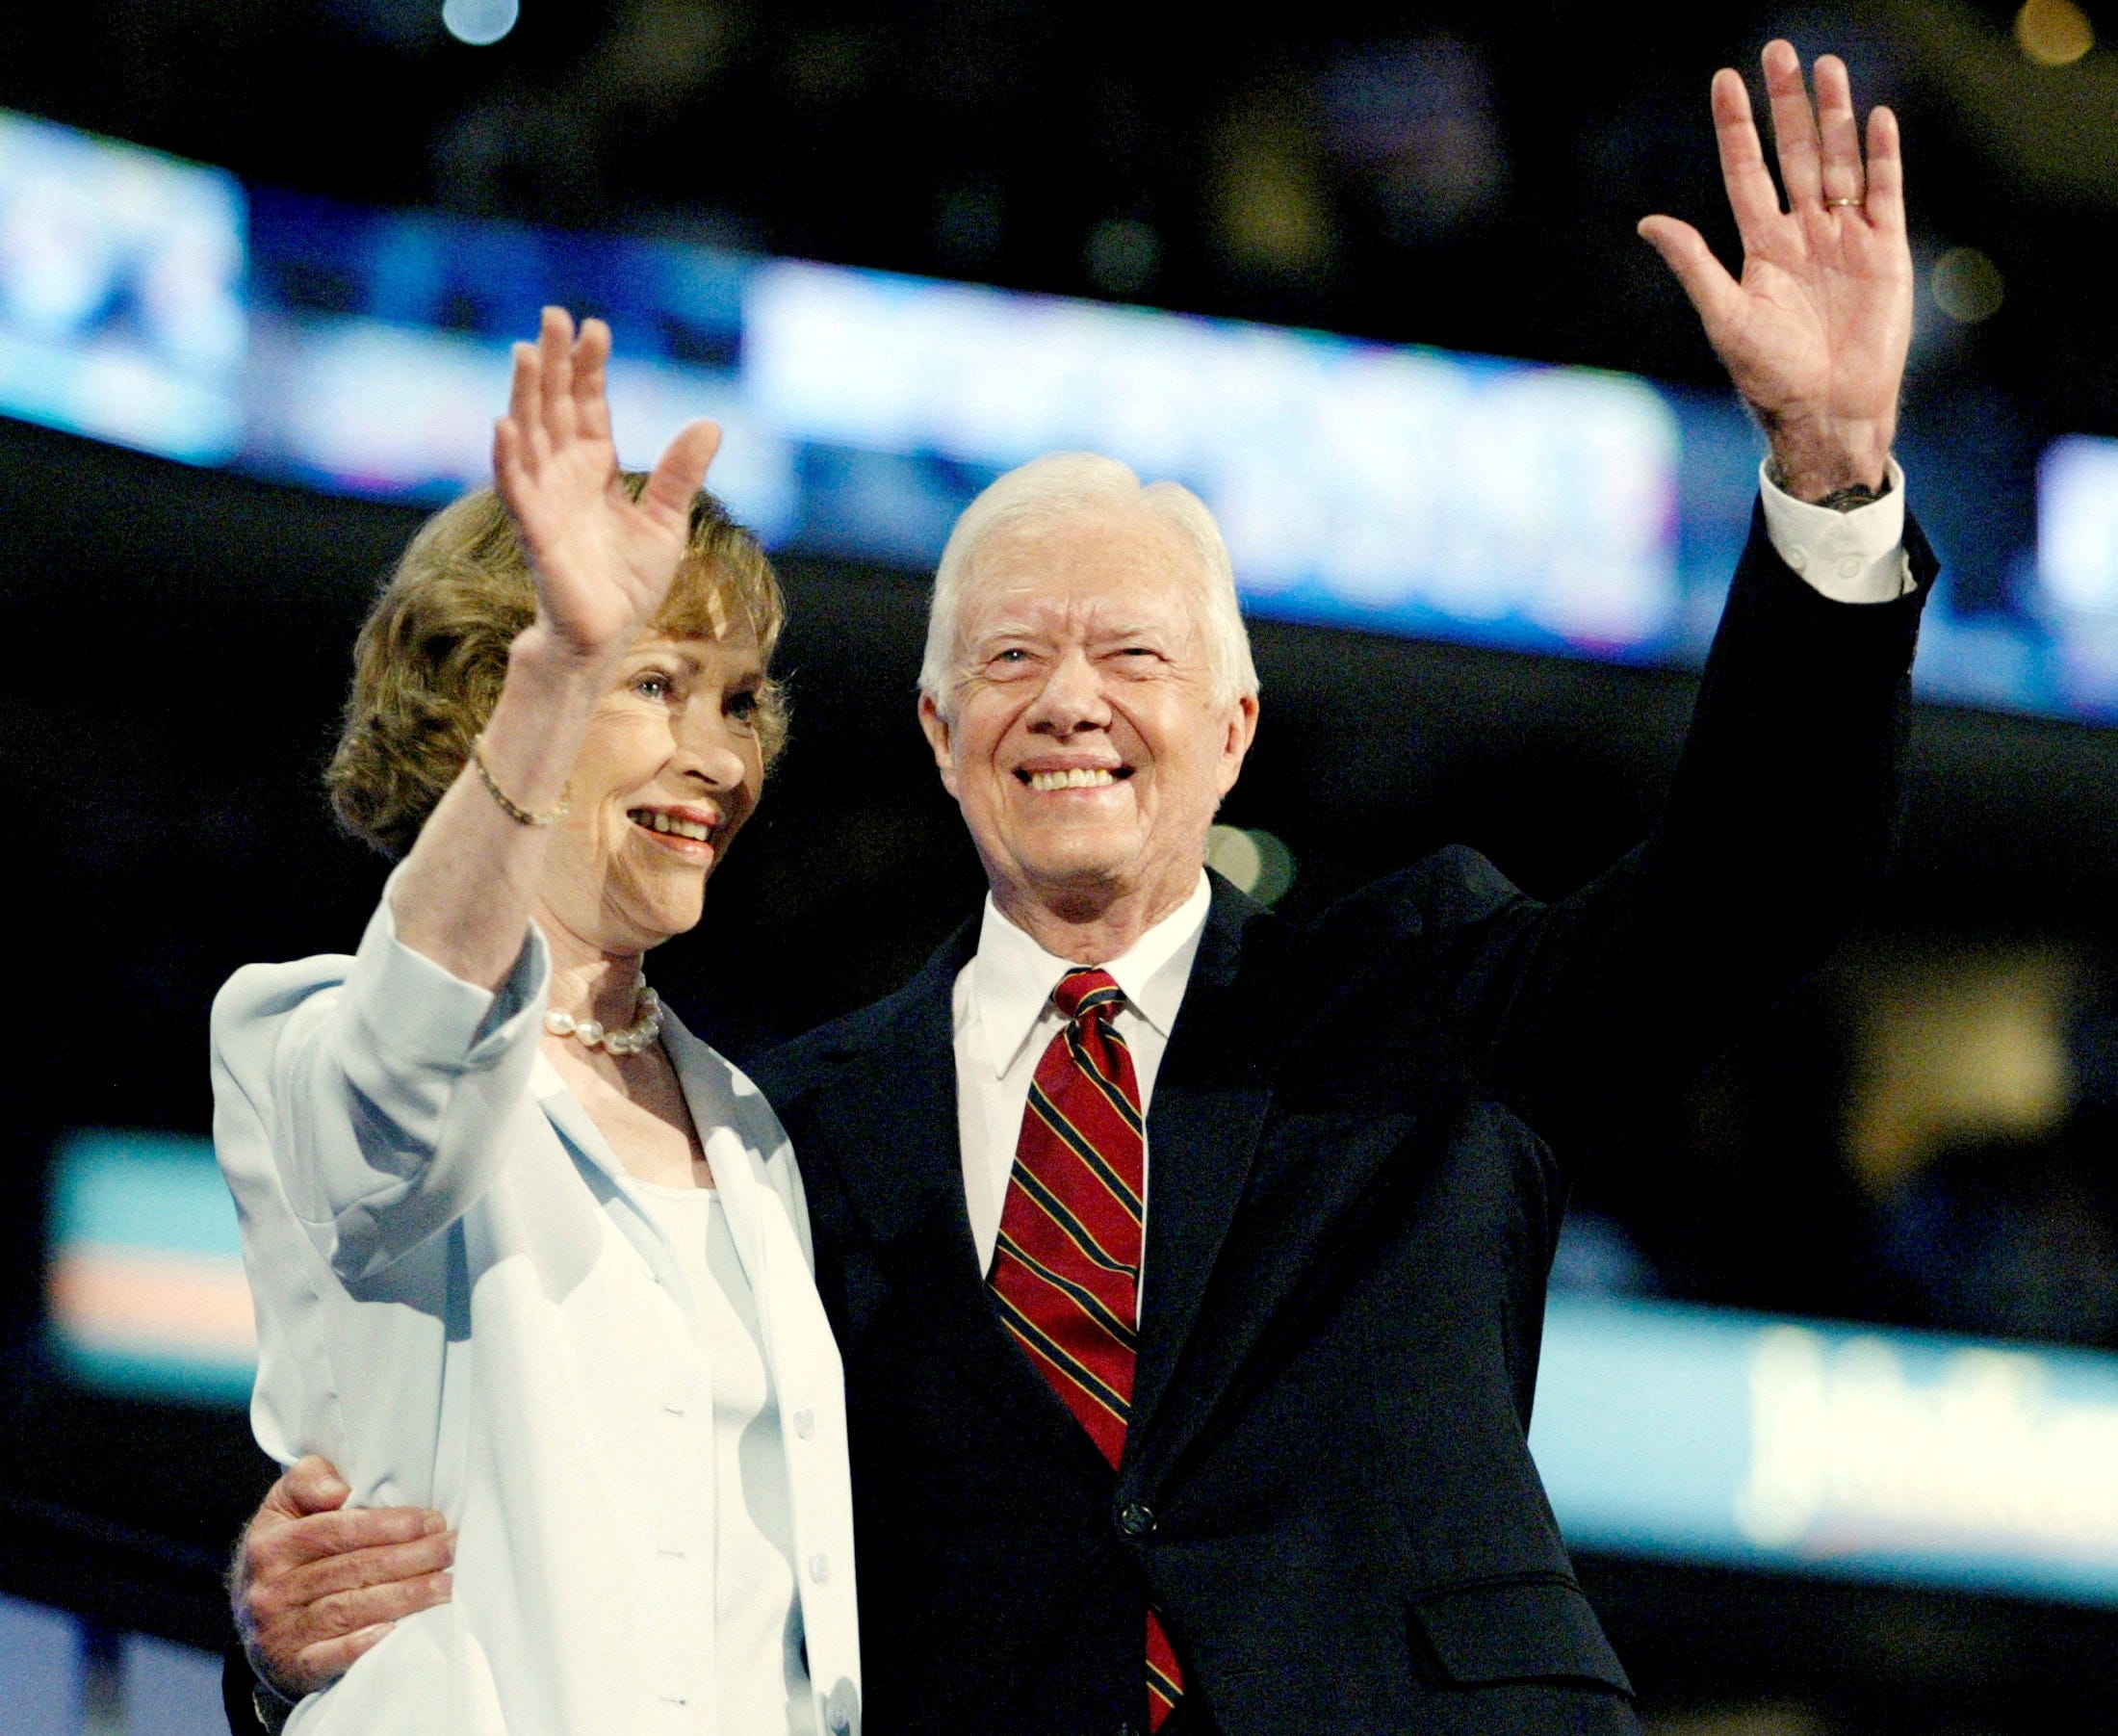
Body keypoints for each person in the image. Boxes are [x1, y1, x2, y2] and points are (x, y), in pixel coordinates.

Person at [225, 41, 1928, 1735]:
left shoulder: (1426, 1007)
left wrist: (1835, 484)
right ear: (940, 729)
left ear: (1236, 725)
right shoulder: (786, 1133)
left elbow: (1757, 889)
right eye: (1018, 656)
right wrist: (281, 1632)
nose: (1072, 701)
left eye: (1134, 654)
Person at [211, 310, 861, 1735]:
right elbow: (410, 1076)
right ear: (490, 699)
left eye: (741, 701)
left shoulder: (749, 1128)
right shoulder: (306, 1038)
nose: (721, 755)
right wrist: (565, 663)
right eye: (659, 683)